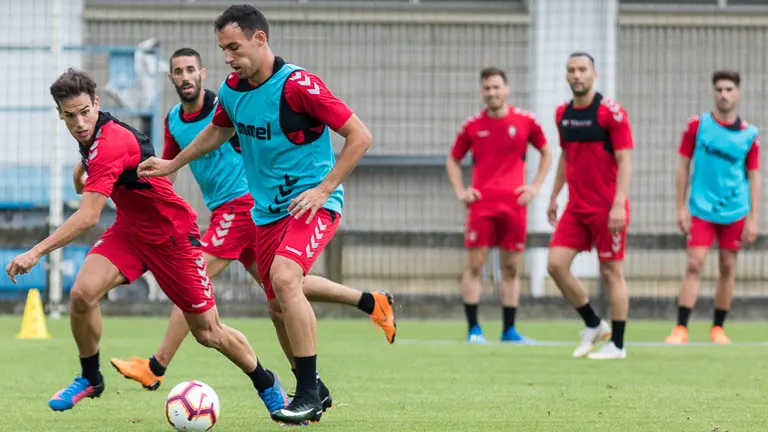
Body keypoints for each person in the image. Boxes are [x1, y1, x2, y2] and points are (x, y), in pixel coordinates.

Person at [110, 48, 396, 410]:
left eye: (190, 69)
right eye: (177, 71)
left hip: (242, 206)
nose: (185, 77)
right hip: (251, 213)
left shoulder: (236, 98)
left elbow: (350, 134)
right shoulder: (174, 120)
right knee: (279, 293)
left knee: (195, 277)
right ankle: (370, 303)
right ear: (170, 79)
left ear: (201, 73)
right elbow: (171, 164)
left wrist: (316, 183)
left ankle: (156, 365)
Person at [5, 68, 289, 417]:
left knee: (208, 332)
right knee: (82, 294)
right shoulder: (90, 136)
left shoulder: (110, 142)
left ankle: (266, 382)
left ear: (97, 103)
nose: (79, 122)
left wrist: (36, 251)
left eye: (84, 112)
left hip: (173, 237)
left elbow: (89, 215)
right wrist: (81, 171)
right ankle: (91, 378)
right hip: (130, 232)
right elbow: (89, 183)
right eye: (69, 116)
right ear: (60, 113)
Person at [446, 66, 551, 344]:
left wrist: (536, 186)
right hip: (482, 206)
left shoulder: (526, 121)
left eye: (496, 87)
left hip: (514, 206)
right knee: (475, 266)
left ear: (506, 89)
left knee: (512, 268)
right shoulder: (472, 126)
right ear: (482, 92)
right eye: (487, 88)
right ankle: (474, 329)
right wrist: (461, 190)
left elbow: (546, 152)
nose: (492, 92)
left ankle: (509, 331)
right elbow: (452, 160)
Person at [546, 52, 634, 360]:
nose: (576, 75)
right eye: (571, 70)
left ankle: (618, 345)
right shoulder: (562, 114)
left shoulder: (611, 113)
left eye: (582, 69)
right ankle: (594, 324)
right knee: (555, 264)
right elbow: (565, 157)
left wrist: (619, 204)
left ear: (594, 73)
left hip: (607, 208)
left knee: (611, 272)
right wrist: (555, 195)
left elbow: (625, 160)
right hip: (576, 208)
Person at [665, 70, 760, 345]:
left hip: (735, 211)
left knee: (728, 266)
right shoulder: (697, 126)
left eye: (729, 89)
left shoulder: (750, 135)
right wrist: (680, 207)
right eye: (719, 89)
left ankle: (718, 328)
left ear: (738, 93)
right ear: (713, 93)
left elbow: (754, 176)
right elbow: (683, 165)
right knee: (694, 264)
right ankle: (681, 328)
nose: (724, 94)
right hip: (701, 209)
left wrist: (753, 217)